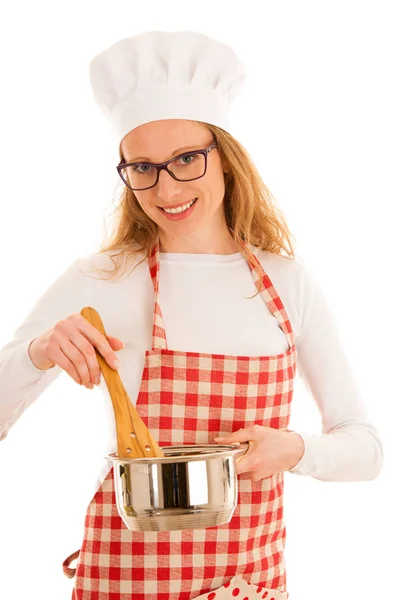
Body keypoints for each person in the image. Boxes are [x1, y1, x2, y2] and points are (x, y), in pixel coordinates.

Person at [0, 30, 383, 600]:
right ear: (126, 174)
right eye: (143, 168)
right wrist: (36, 353)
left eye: (186, 159)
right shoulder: (101, 278)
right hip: (124, 575)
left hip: (244, 582)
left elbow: (367, 450)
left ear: (225, 158)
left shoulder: (286, 282)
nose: (166, 186)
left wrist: (296, 450)